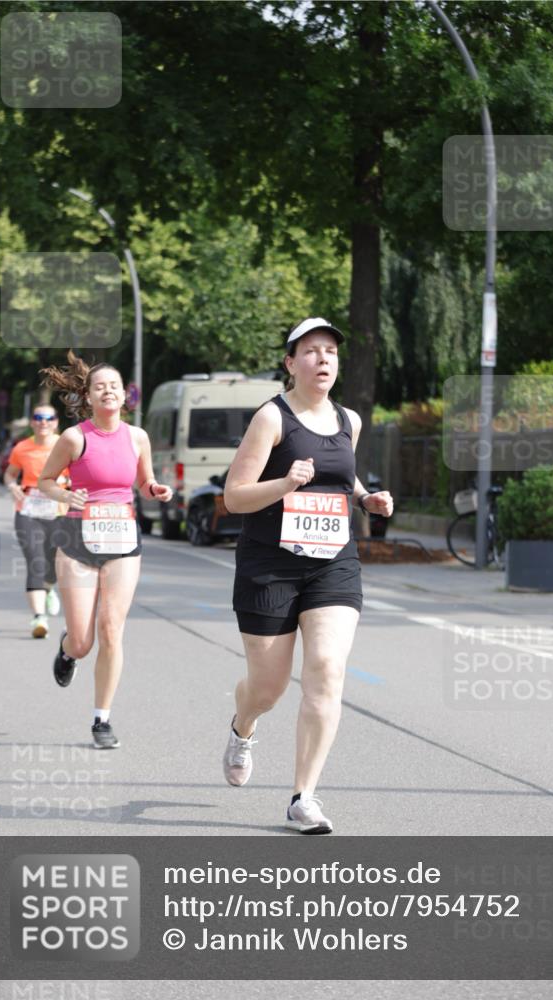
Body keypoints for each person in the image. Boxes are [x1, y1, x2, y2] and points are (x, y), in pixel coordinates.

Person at [222, 317, 393, 834]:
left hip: (333, 564)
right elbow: (234, 497)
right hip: (269, 565)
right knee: (268, 689)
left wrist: (366, 497)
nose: (323, 359)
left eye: (331, 352)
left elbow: (343, 473)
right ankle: (243, 726)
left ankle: (304, 797)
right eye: (312, 351)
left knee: (326, 668)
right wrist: (285, 482)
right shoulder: (271, 419)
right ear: (290, 362)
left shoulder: (349, 420)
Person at [37, 352, 172, 749]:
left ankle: (102, 719)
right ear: (89, 397)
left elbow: (145, 482)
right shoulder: (74, 438)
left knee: (112, 628)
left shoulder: (137, 437)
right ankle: (67, 650)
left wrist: (155, 490)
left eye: (114, 386)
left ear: (125, 395)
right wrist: (67, 494)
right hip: (78, 541)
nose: (108, 391)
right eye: (100, 387)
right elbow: (45, 482)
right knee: (83, 641)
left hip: (122, 540)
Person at [4, 405, 67, 638]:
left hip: (58, 512)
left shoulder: (65, 445)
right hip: (28, 511)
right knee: (35, 561)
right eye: (38, 418)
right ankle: (39, 618)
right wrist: (12, 486)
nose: (43, 422)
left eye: (48, 418)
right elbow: (10, 473)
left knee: (53, 564)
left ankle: (49, 588)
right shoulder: (22, 448)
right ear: (32, 422)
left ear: (56, 422)